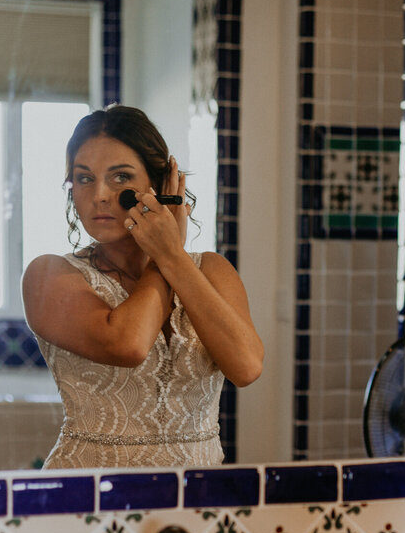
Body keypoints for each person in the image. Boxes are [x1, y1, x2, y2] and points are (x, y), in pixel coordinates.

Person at [23, 105, 262, 468]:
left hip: (197, 499)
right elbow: (129, 343)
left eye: (120, 177)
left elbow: (246, 368)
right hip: (89, 496)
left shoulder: (211, 270)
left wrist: (173, 258)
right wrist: (165, 256)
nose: (100, 194)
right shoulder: (49, 275)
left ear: (159, 184)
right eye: (85, 178)